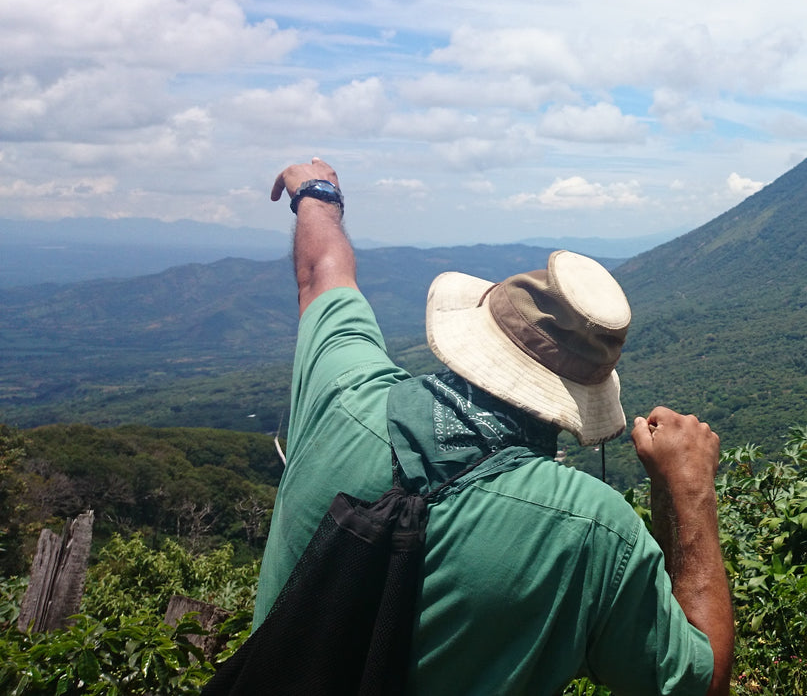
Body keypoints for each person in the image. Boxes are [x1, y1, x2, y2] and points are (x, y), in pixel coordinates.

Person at [257, 157, 734, 695]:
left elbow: (322, 272)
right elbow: (704, 682)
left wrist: (317, 192)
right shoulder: (592, 531)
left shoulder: (342, 391)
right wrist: (690, 489)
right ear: (584, 395)